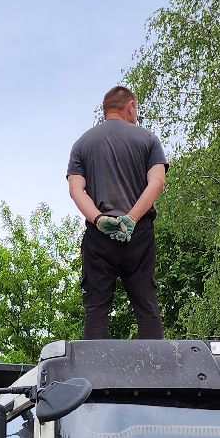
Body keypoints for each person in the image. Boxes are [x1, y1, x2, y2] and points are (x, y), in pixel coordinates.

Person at [66, 85, 168, 340]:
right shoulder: (148, 139)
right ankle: (154, 372)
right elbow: (157, 181)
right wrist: (131, 219)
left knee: (97, 309)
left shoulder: (82, 143)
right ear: (130, 106)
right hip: (139, 234)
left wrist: (100, 220)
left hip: (99, 238)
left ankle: (94, 378)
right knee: (146, 305)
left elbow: (76, 190)